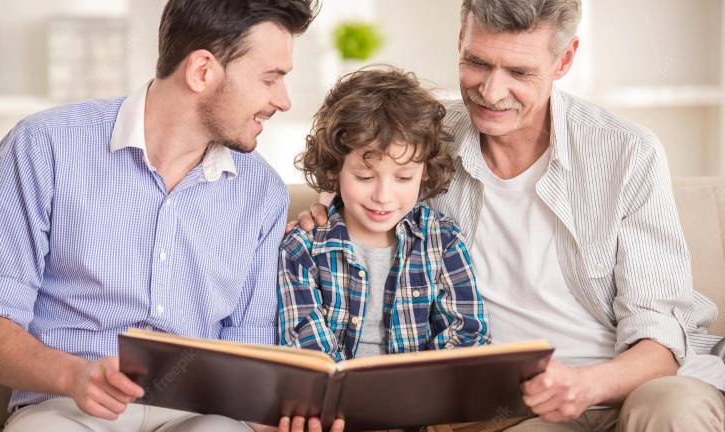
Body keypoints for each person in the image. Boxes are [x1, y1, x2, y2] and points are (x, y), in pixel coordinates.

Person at [294, 0, 725, 430]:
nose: (492, 92)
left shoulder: (627, 152)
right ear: (460, 41)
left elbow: (660, 338)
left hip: (627, 384)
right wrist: (329, 209)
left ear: (565, 59)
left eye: (519, 72)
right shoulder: (426, 138)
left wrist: (583, 385)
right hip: (516, 407)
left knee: (675, 406)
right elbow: (360, 166)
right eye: (477, 63)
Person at [0, 1, 341, 431]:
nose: (282, 101)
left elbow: (251, 344)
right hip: (66, 405)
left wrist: (276, 417)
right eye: (270, 78)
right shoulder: (44, 147)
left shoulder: (262, 193)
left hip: (201, 413)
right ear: (202, 71)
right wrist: (73, 375)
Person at [278, 67, 490, 361]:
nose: (383, 196)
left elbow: (468, 333)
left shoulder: (443, 241)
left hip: (426, 399)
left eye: (403, 179)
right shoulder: (302, 248)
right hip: (333, 401)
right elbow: (306, 348)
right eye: (365, 177)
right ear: (333, 168)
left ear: (425, 172)